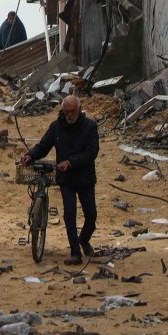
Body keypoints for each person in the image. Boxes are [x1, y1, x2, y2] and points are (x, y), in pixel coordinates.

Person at [19, 94, 100, 264]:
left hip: (85, 178)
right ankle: (75, 253)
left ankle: (83, 240)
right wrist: (30, 155)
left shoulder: (90, 127)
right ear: (62, 111)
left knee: (91, 216)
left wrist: (71, 162)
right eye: (67, 111)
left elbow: (91, 153)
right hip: (66, 179)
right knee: (69, 214)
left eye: (73, 111)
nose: (70, 115)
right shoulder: (56, 127)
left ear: (79, 109)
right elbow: (44, 145)